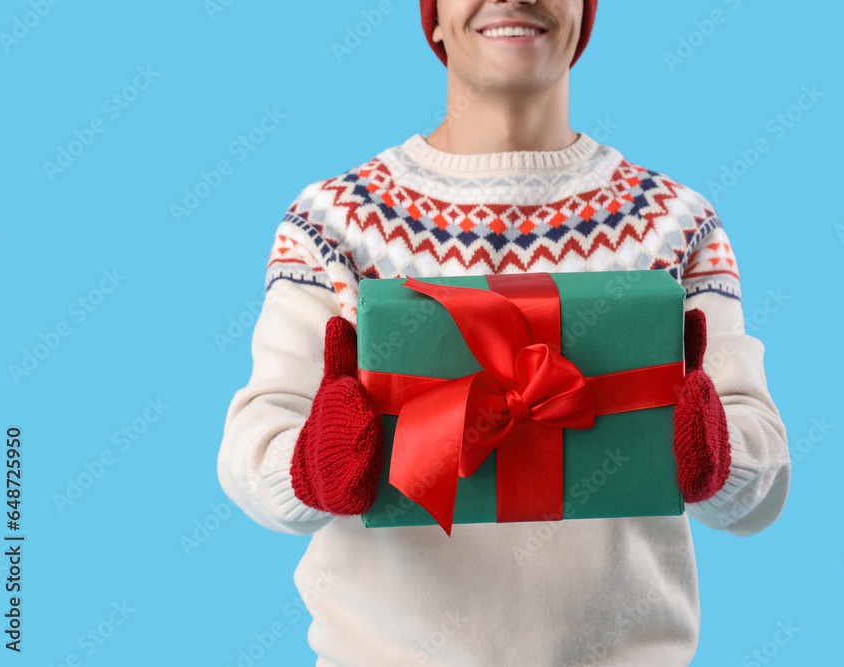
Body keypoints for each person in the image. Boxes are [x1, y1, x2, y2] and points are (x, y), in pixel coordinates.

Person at [217, 0, 791, 664]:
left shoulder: (677, 224)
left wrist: (723, 457)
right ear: (432, 18)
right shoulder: (332, 224)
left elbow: (762, 491)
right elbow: (252, 451)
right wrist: (307, 466)